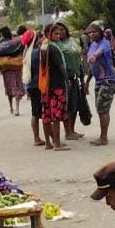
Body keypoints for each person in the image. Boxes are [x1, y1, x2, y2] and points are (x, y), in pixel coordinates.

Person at [51, 21, 87, 140]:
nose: (60, 32)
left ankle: (72, 129)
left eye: (62, 29)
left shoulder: (74, 41)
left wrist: (82, 78)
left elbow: (79, 59)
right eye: (57, 30)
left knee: (75, 105)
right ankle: (68, 132)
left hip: (76, 77)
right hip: (64, 79)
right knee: (67, 106)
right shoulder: (55, 45)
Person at [85, 22, 115, 145]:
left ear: (100, 31)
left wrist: (94, 56)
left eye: (94, 31)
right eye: (90, 32)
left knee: (102, 108)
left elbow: (100, 52)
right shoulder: (92, 45)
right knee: (101, 108)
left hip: (109, 80)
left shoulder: (104, 43)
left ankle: (104, 137)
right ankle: (103, 135)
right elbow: (91, 65)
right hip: (99, 80)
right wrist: (87, 81)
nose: (92, 34)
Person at [39, 23, 70, 151]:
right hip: (57, 85)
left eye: (59, 33)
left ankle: (48, 142)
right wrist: (66, 78)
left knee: (46, 114)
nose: (58, 35)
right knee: (57, 115)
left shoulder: (44, 47)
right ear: (48, 34)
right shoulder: (54, 49)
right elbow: (60, 66)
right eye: (55, 33)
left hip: (46, 85)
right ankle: (57, 143)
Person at [0, 26, 26, 115]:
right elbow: (22, 50)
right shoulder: (16, 42)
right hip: (17, 66)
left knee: (9, 88)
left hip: (7, 68)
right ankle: (16, 108)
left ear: (2, 34)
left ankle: (11, 108)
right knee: (17, 87)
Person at [23, 29, 45, 146]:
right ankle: (42, 138)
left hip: (30, 85)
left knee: (34, 113)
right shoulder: (38, 52)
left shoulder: (26, 52)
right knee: (42, 113)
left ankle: (36, 137)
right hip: (38, 86)